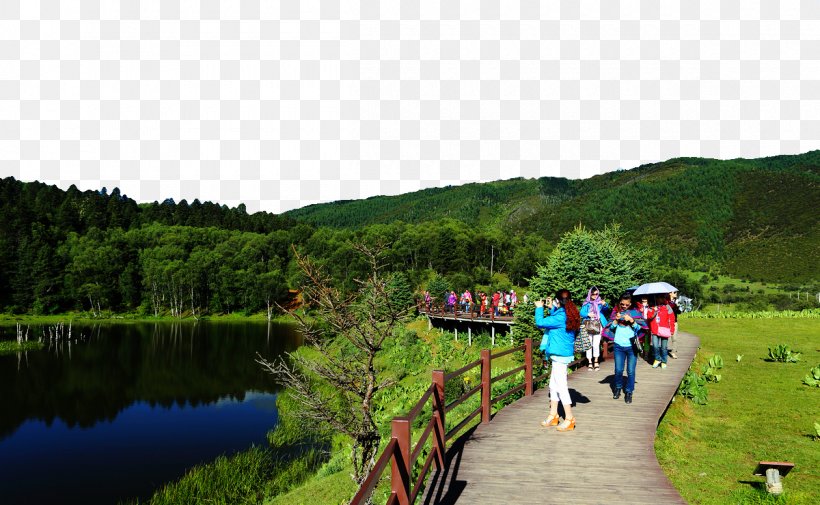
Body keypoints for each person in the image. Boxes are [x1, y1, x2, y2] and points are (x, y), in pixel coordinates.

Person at [535, 289, 581, 431]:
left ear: (558, 301)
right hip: (561, 354)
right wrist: (552, 308)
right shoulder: (569, 313)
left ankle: (569, 418)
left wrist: (539, 308)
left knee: (561, 386)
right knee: (553, 385)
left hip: (560, 355)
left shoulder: (560, 317)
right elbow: (555, 317)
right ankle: (553, 415)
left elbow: (540, 322)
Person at [602, 294, 648, 404]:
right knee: (618, 370)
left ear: (630, 304)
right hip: (618, 345)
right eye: (622, 304)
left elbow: (641, 328)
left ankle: (629, 392)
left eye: (627, 304)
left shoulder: (636, 313)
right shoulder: (615, 312)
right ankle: (618, 388)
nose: (624, 306)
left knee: (631, 371)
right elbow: (611, 328)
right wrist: (616, 321)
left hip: (632, 346)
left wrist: (632, 321)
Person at [579, 286, 609, 371]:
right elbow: (581, 312)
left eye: (596, 294)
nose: (595, 295)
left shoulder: (600, 302)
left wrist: (605, 304)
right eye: (593, 294)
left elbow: (606, 309)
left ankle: (596, 361)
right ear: (590, 294)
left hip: (598, 325)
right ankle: (589, 362)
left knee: (596, 344)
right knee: (589, 344)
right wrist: (588, 314)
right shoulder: (586, 303)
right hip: (588, 324)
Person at [647, 294, 676, 369]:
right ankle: (657, 359)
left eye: (662, 297)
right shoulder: (652, 307)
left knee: (664, 347)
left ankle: (664, 361)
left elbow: (672, 319)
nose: (660, 299)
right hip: (655, 330)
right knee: (655, 346)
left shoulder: (667, 307)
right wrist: (654, 310)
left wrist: (672, 329)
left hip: (664, 330)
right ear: (656, 298)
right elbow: (649, 317)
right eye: (658, 297)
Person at [668, 291, 681, 358]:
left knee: (674, 338)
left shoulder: (675, 302)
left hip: (674, 322)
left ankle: (673, 352)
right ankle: (662, 351)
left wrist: (678, 306)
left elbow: (679, 312)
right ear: (670, 293)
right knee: (664, 338)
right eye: (674, 292)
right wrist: (675, 305)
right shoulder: (666, 302)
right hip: (666, 322)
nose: (676, 294)